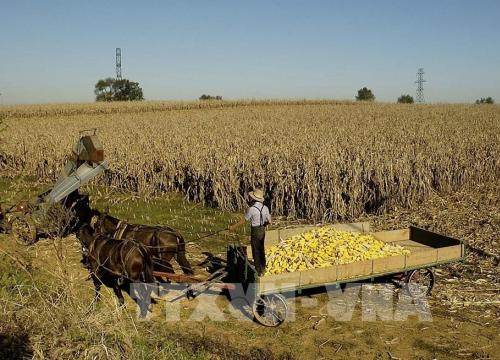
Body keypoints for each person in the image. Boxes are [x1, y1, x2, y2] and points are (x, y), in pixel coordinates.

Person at [228, 188, 271, 275]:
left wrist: (233, 227)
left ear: (253, 199)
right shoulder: (265, 208)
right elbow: (269, 221)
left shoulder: (252, 209)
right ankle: (263, 267)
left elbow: (244, 220)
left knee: (255, 249)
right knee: (261, 248)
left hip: (255, 230)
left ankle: (259, 270)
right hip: (262, 229)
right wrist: (263, 224)